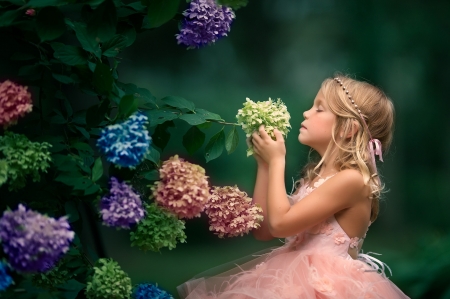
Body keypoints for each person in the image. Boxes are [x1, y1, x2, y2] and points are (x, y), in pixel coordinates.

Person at [177, 74, 410, 298]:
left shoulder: (353, 180)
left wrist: (278, 160)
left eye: (319, 108)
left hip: (327, 286)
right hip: (288, 280)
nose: (306, 113)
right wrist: (265, 165)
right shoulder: (316, 177)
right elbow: (265, 229)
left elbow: (280, 225)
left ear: (347, 129)